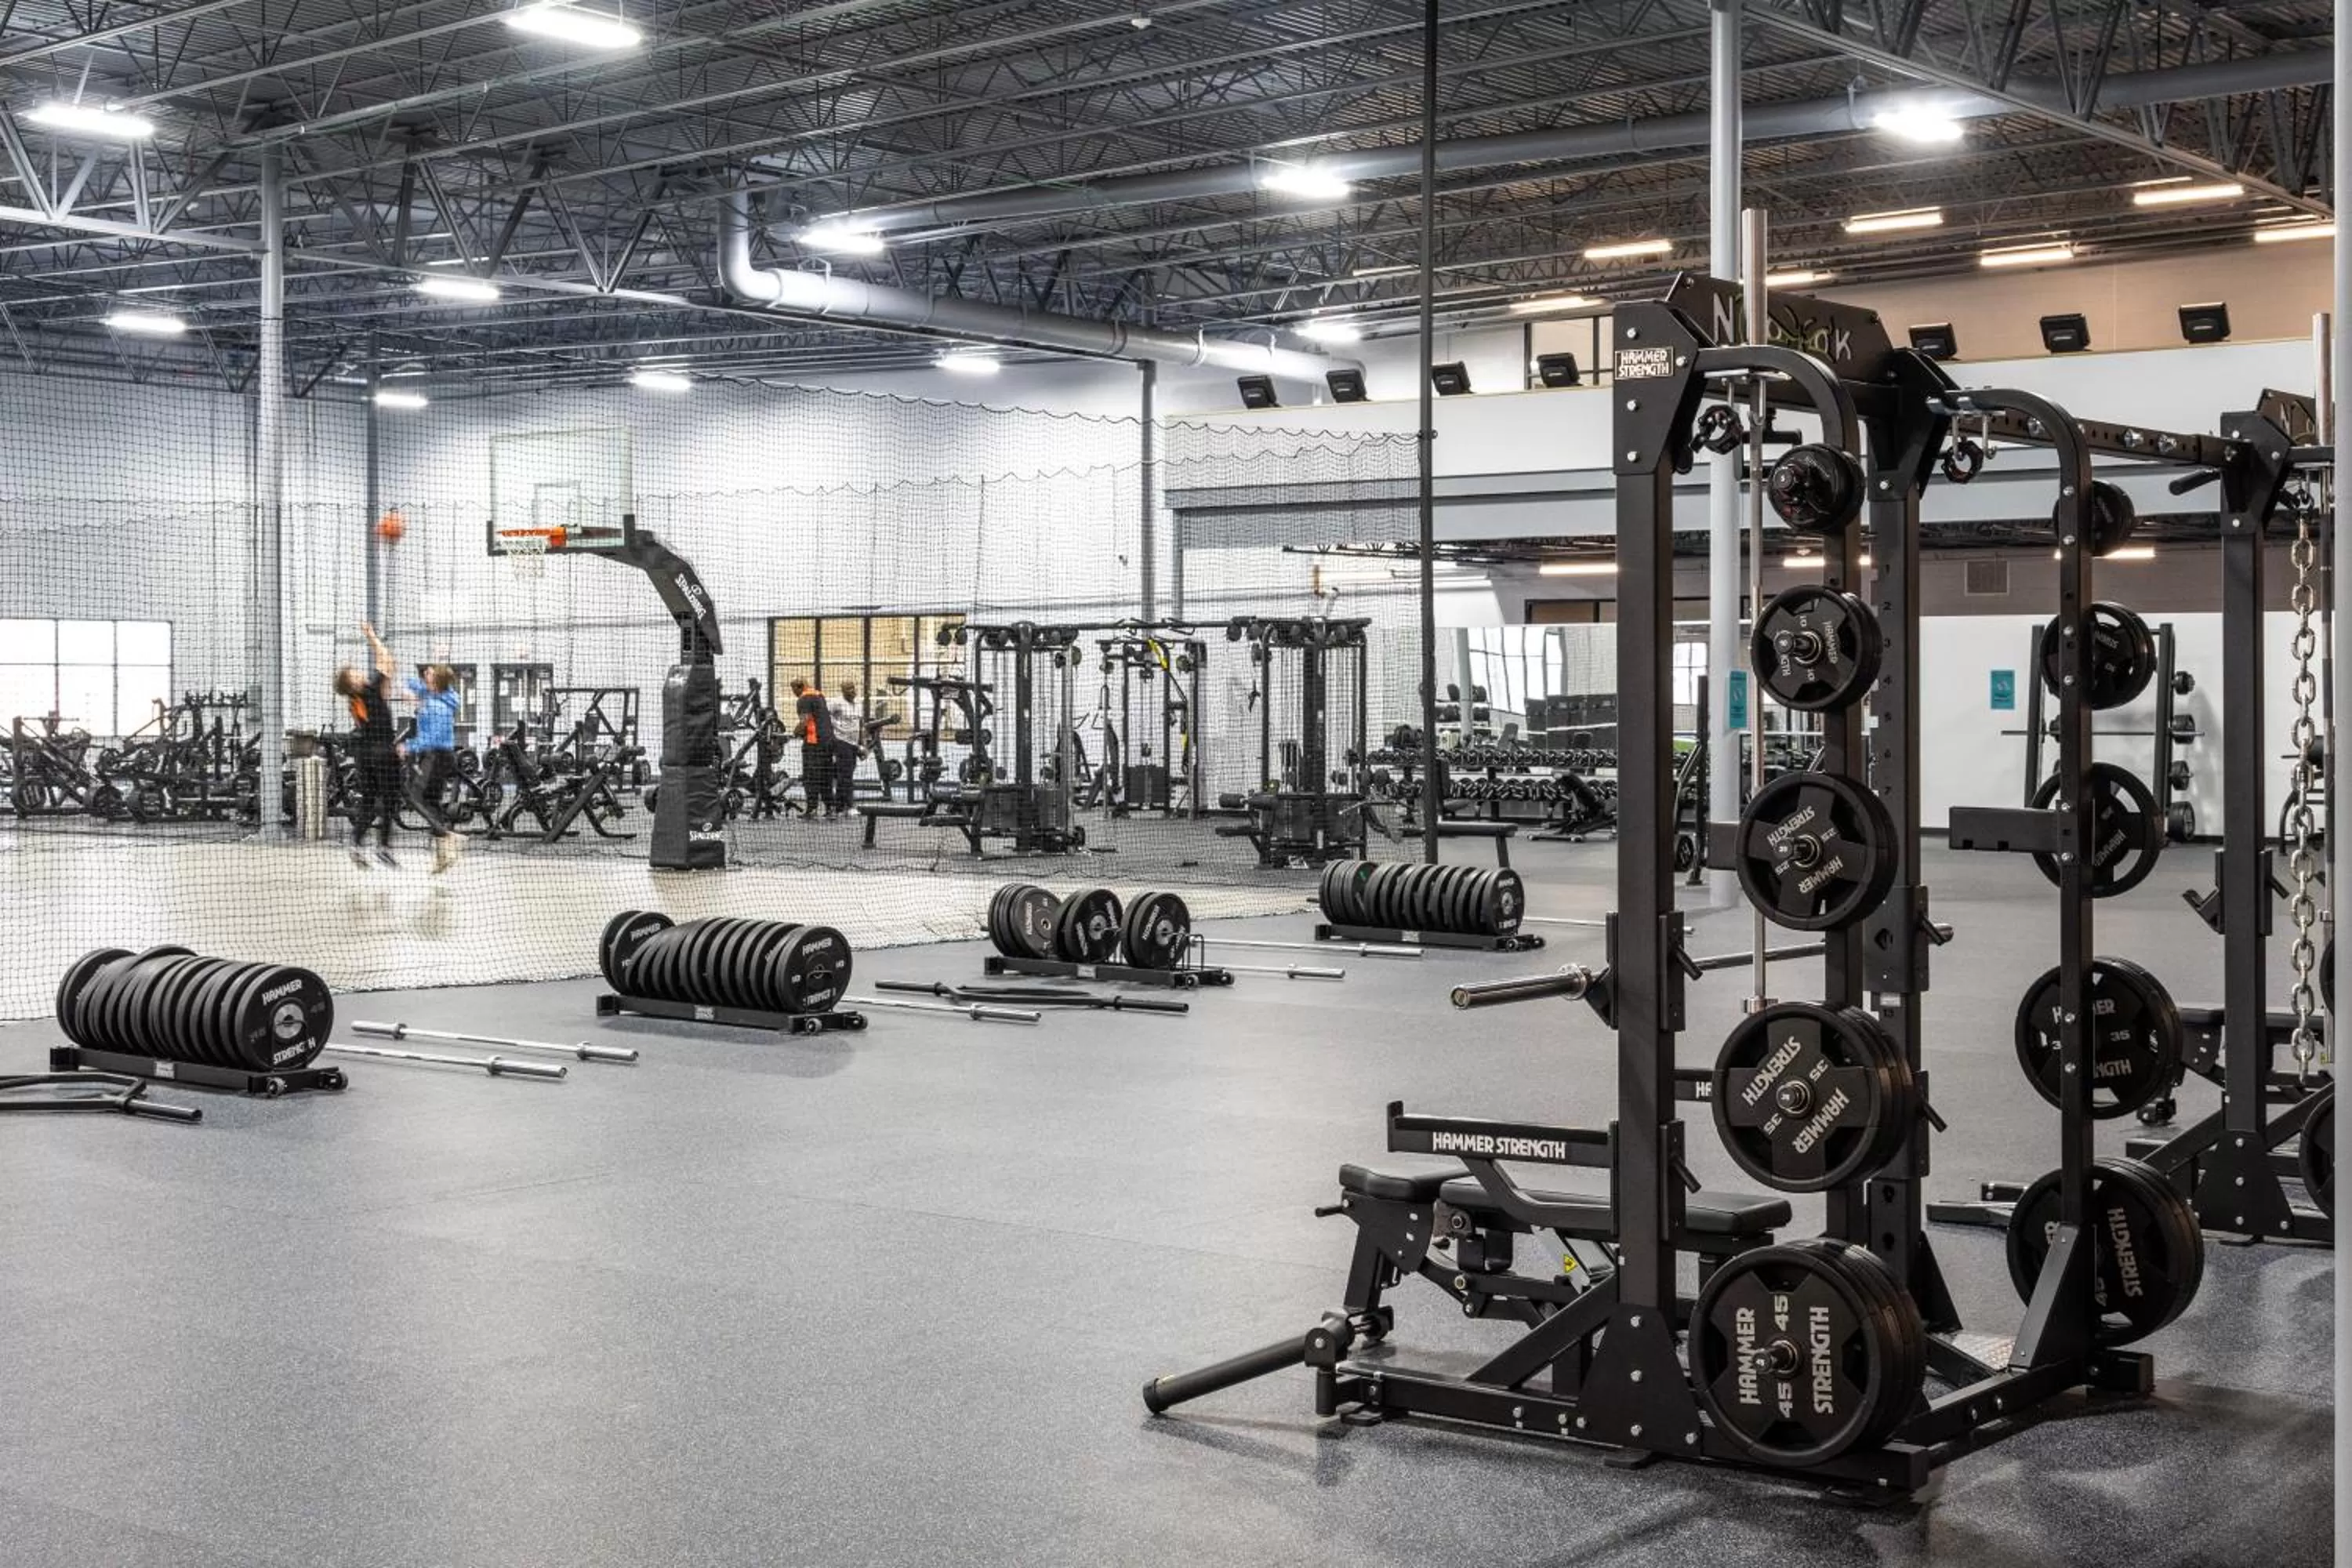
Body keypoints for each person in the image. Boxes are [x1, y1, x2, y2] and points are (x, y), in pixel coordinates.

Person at [335, 623, 401, 868]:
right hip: (383, 751)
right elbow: (387, 660)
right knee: (391, 800)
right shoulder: (369, 690)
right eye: (354, 675)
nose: (359, 673)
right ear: (352, 684)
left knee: (369, 801)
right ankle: (383, 847)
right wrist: (372, 636)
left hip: (364, 755)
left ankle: (356, 842)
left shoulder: (354, 700)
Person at [405, 662, 464, 873]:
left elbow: (431, 738)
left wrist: (408, 746)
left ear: (436, 683)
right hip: (439, 757)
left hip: (435, 756)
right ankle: (443, 855)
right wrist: (415, 694)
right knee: (432, 802)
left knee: (414, 797)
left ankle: (447, 836)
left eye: (429, 675)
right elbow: (411, 683)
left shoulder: (436, 706)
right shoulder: (439, 697)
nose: (424, 676)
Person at [789, 676, 835, 816]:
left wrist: (794, 733)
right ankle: (830, 808)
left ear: (800, 687)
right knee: (826, 776)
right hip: (828, 742)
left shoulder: (803, 699)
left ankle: (812, 809)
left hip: (814, 744)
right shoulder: (819, 695)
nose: (794, 693)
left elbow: (804, 722)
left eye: (794, 690)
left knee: (811, 777)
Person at [828, 678, 864, 815]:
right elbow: (827, 717)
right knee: (846, 775)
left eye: (853, 688)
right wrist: (833, 734)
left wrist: (862, 744)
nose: (852, 691)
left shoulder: (858, 703)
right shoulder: (837, 703)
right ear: (843, 691)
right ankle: (849, 806)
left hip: (854, 744)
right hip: (842, 742)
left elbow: (860, 724)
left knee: (846, 774)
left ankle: (839, 806)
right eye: (848, 688)